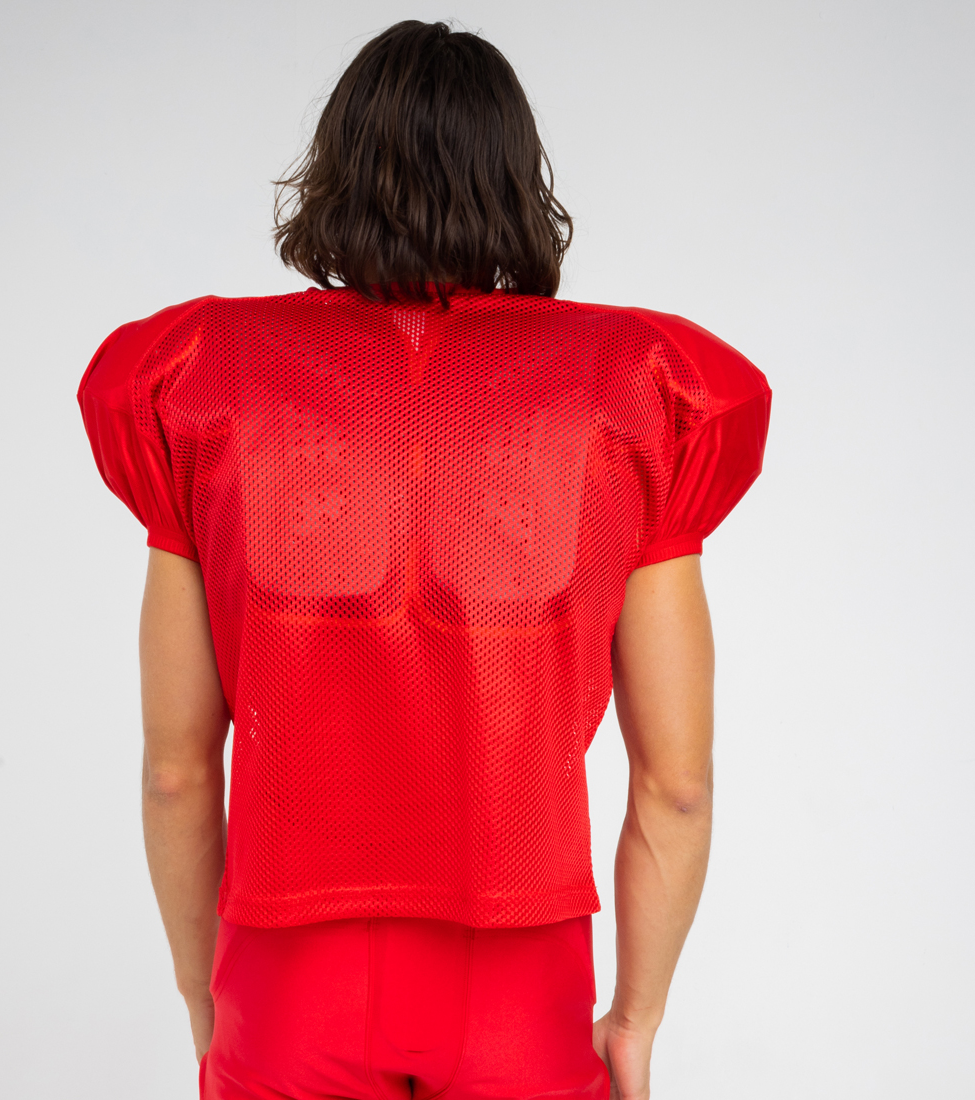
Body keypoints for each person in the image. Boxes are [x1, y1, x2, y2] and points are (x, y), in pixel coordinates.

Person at [77, 19, 770, 1100]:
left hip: (284, 974)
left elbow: (176, 770)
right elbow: (676, 787)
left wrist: (207, 998)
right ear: (514, 180)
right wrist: (633, 1021)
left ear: (336, 171)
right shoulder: (633, 386)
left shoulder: (201, 375)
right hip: (520, 979)